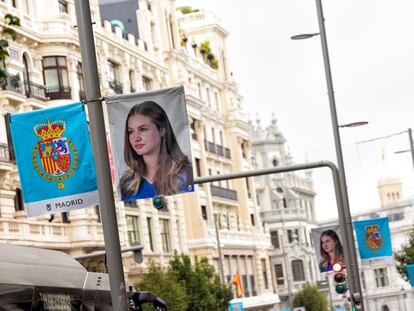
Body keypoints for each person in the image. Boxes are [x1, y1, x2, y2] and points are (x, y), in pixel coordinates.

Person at [120, 100, 193, 200]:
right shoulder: (127, 181)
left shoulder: (185, 173)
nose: (136, 138)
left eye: (143, 129)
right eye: (131, 132)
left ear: (162, 130)